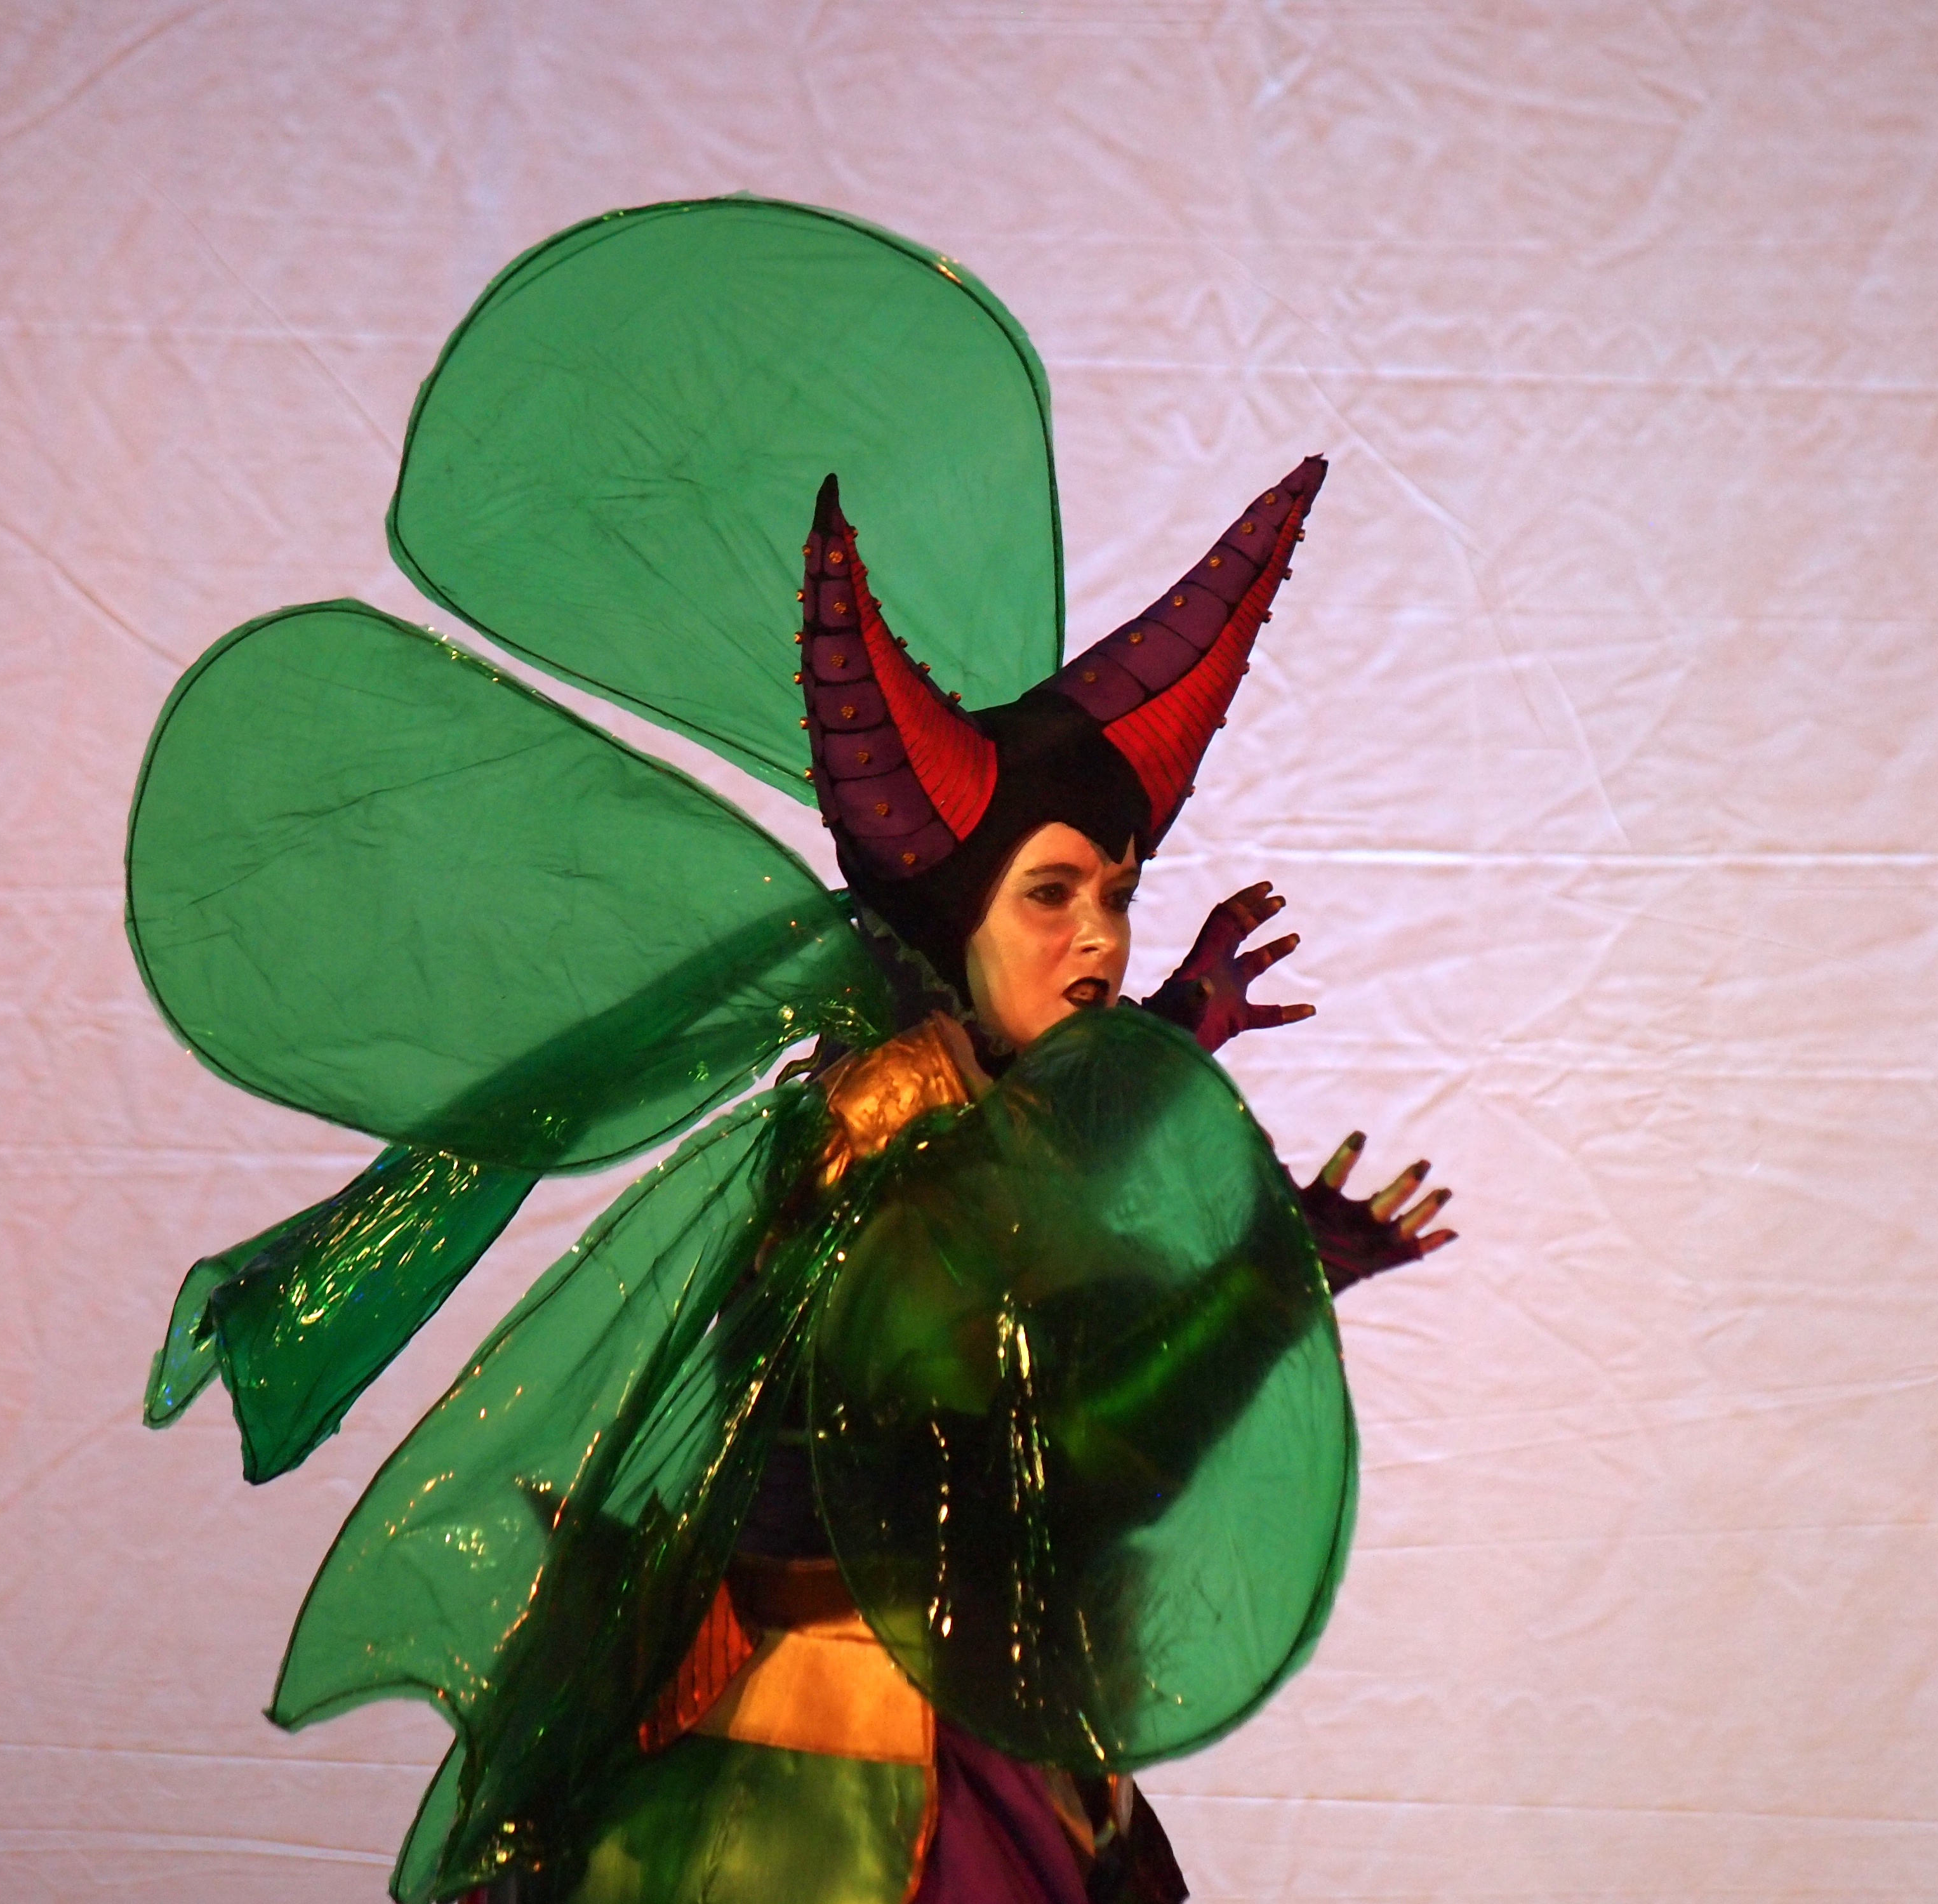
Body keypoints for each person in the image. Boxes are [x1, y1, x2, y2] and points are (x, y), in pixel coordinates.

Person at [124, 197, 1455, 1904]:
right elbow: (1044, 1456)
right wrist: (1269, 1289)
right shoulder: (884, 1135)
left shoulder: (961, 1106)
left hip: (947, 1696)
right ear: (955, 919)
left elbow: (1048, 1217)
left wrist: (1180, 1040)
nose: (1101, 940)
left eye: (1116, 895)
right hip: (829, 1741)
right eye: (1054, 895)